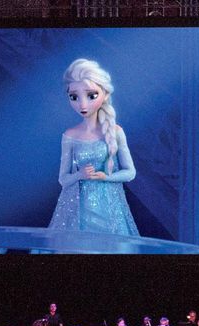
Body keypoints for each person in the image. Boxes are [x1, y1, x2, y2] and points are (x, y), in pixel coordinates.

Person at [48, 58, 139, 236]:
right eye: (74, 97)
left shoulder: (116, 132)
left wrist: (107, 177)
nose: (82, 104)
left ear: (105, 94)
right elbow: (63, 179)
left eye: (91, 96)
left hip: (110, 210)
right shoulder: (70, 136)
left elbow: (130, 172)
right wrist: (79, 174)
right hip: (78, 210)